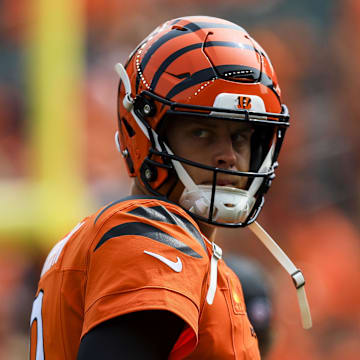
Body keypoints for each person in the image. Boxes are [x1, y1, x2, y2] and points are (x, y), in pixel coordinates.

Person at [29, 15, 308, 359]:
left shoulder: (135, 239)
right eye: (202, 133)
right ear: (145, 135)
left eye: (240, 137)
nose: (228, 157)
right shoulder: (150, 235)